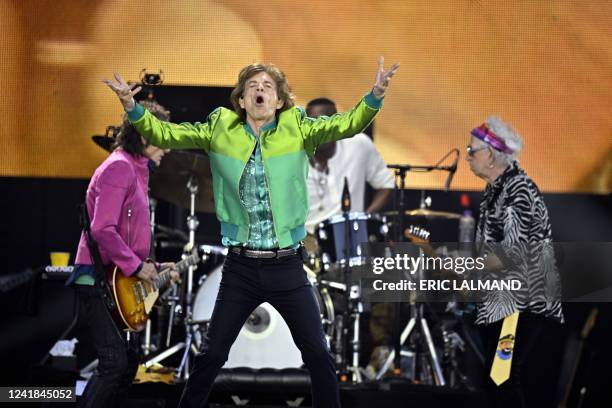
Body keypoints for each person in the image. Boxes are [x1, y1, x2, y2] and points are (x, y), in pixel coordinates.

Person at [104, 56, 399, 408]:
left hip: (287, 266)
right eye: (252, 86)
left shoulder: (298, 127)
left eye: (268, 86)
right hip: (241, 268)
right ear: (242, 100)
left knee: (319, 356)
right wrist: (131, 106)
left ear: (279, 101)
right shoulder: (219, 129)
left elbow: (346, 125)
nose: (260, 89)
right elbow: (164, 133)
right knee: (211, 355)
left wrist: (375, 95)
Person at [70, 100, 178, 408]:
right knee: (114, 363)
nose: (168, 147)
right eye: (162, 137)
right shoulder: (119, 167)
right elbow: (103, 228)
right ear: (144, 135)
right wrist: (136, 266)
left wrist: (153, 266)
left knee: (127, 363)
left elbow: (127, 235)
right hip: (97, 277)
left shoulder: (137, 169)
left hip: (115, 276)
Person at [466, 116, 563, 408]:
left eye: (472, 151)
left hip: (522, 302)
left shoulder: (518, 190)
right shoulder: (495, 190)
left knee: (501, 378)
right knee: (496, 378)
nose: (468, 157)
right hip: (503, 300)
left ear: (492, 156)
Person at [304, 97, 394, 235]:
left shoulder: (358, 144)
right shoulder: (293, 155)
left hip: (350, 236)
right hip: (307, 239)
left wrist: (362, 219)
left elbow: (386, 185)